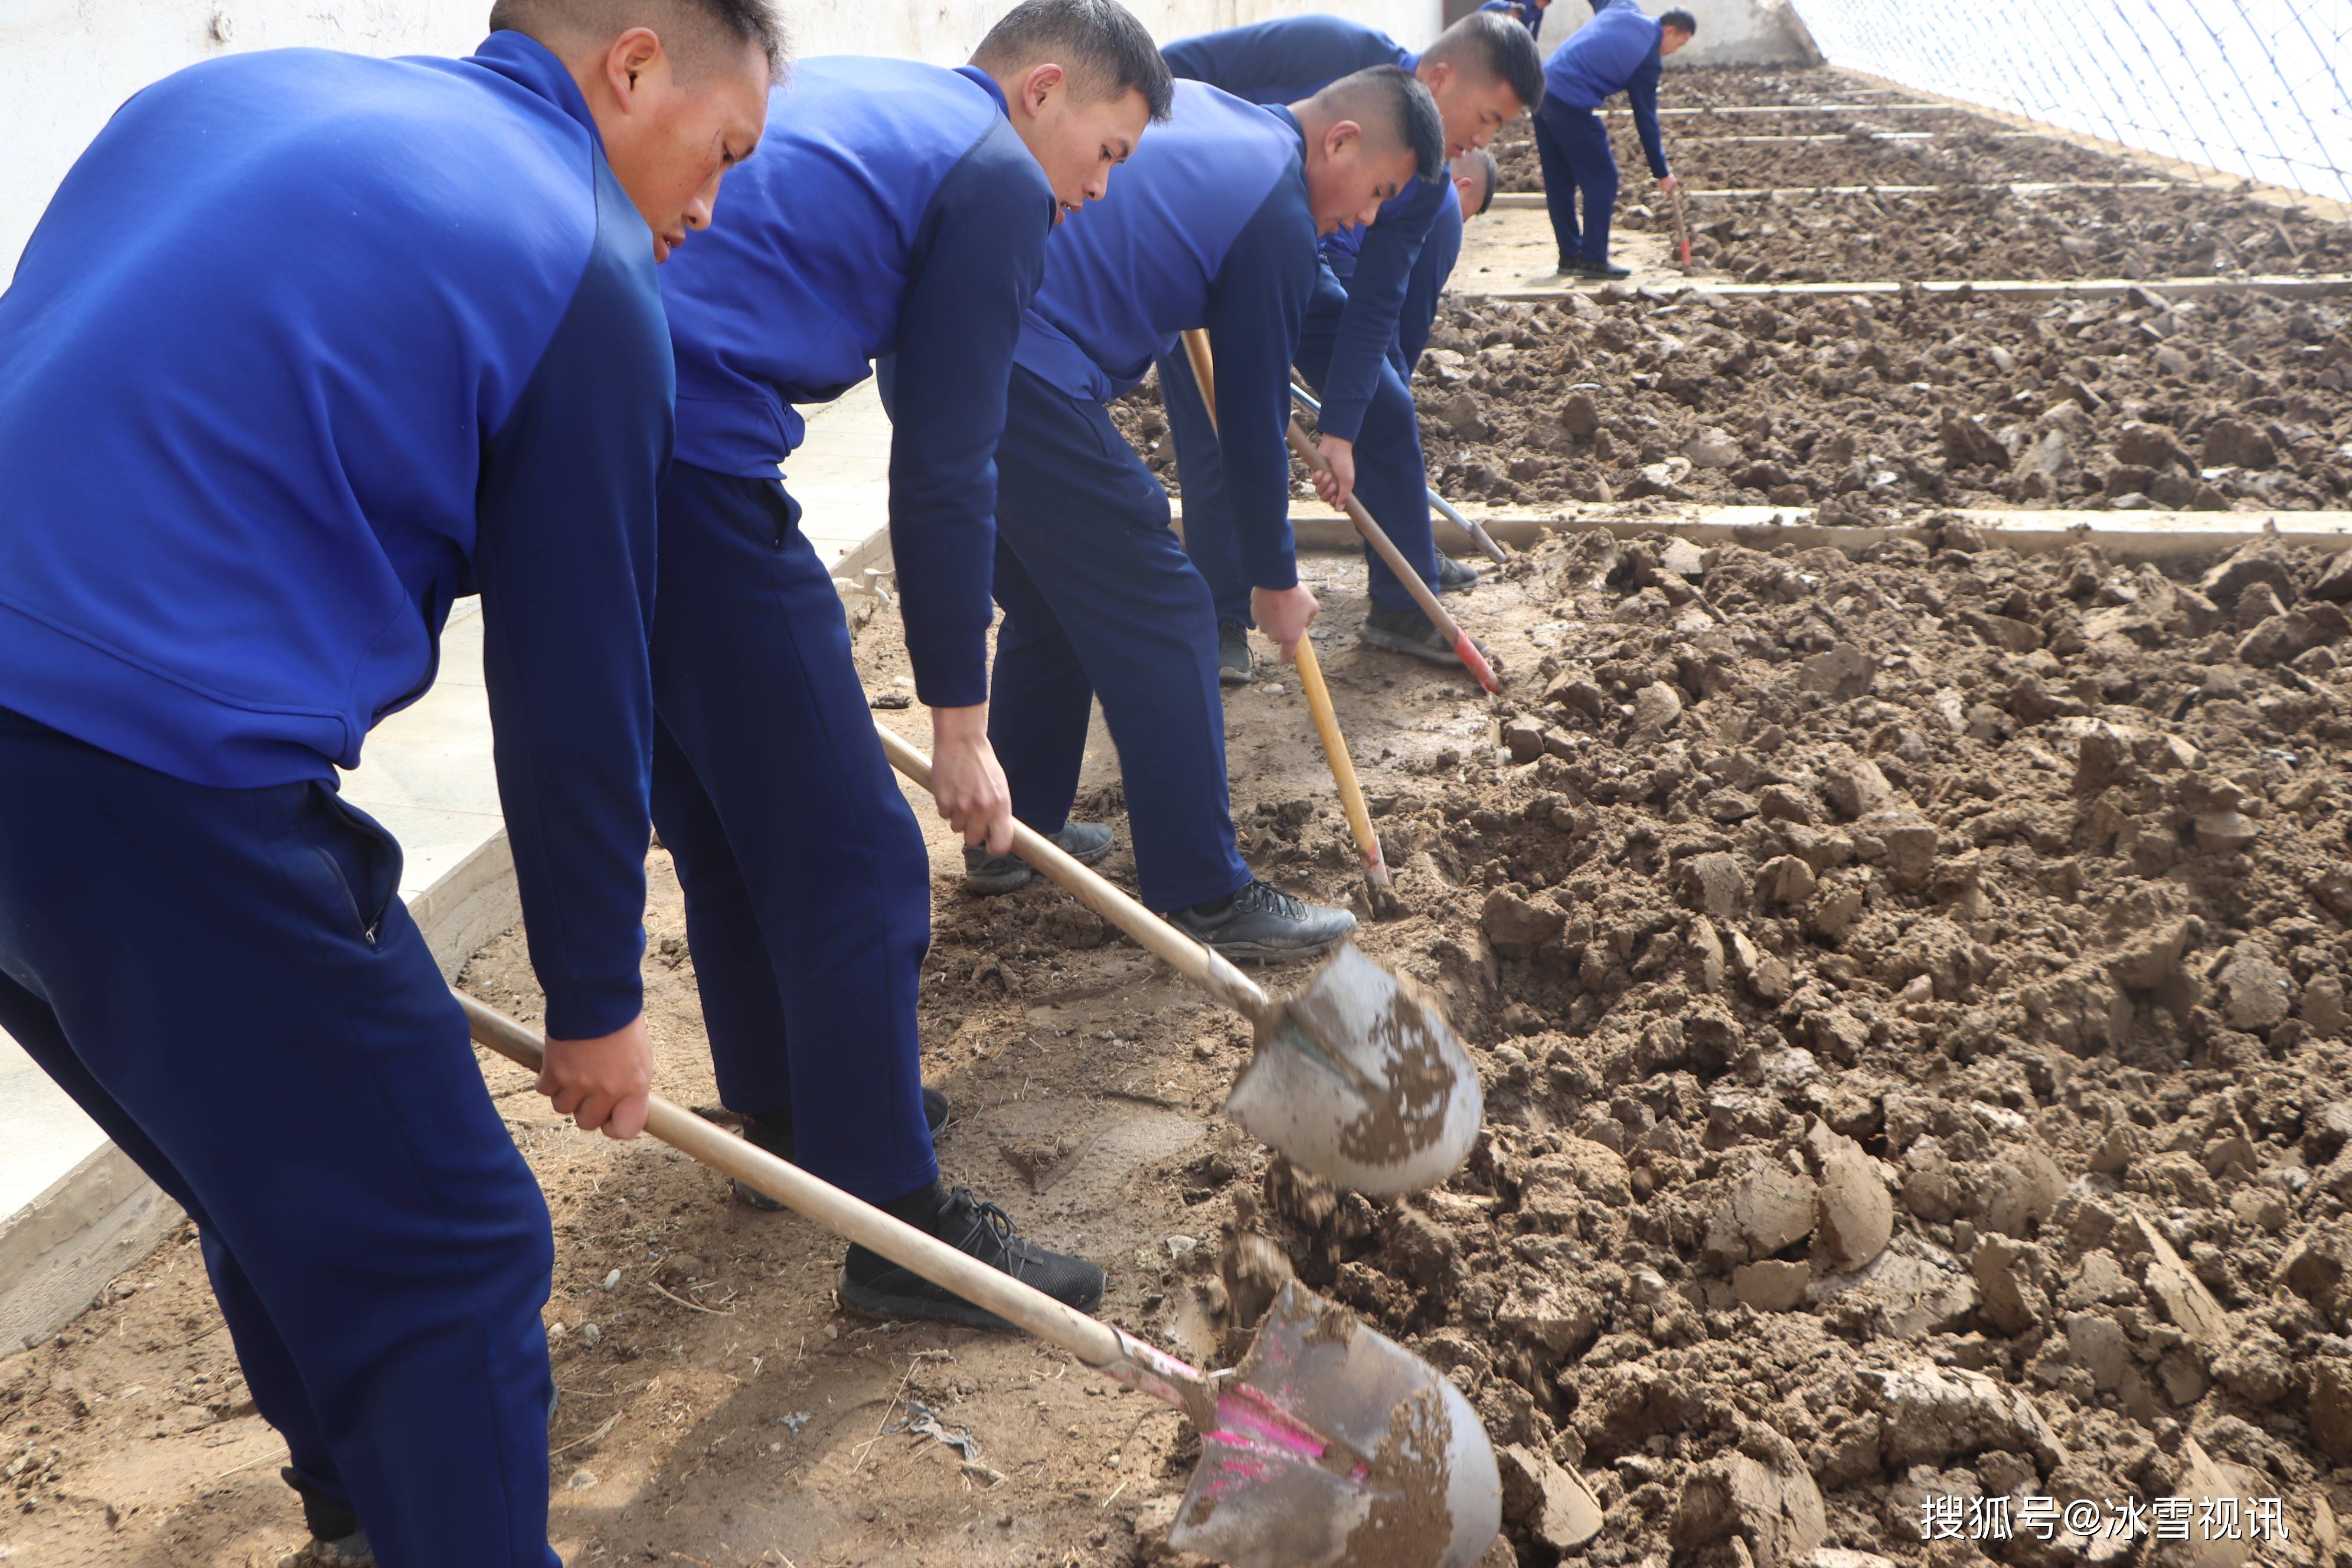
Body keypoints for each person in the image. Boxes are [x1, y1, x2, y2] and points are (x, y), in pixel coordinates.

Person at [0, 2, 779, 1564]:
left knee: (276, 1168)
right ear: (634, 68)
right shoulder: (583, 265)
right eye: (723, 153)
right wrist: (594, 999)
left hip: (50, 740)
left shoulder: (239, 93)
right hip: (142, 767)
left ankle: (370, 1520)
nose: (711, 208)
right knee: (448, 1244)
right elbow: (571, 687)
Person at [649, 0, 1169, 1328]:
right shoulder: (992, 172)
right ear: (1043, 92)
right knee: (860, 859)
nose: (1099, 194)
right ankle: (900, 1232)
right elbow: (946, 467)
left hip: (595, 450)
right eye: (1106, 155)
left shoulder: (890, 98)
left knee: (722, 810)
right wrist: (960, 716)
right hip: (693, 465)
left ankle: (790, 1114)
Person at [992, 67, 1442, 959]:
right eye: (1377, 194)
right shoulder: (1274, 214)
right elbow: (1249, 424)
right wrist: (1274, 583)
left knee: (1053, 597)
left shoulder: (1227, 116)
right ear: (1342, 141)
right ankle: (1204, 892)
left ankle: (1016, 832)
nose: (1362, 220)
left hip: (972, 341)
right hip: (1018, 359)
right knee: (1168, 605)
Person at [1159, 11, 1541, 678]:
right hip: (1197, 238)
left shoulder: (1424, 184)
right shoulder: (1332, 48)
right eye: (1486, 118)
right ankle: (1220, 614)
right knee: (1216, 422)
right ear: (1441, 76)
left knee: (1383, 405)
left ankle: (1400, 605)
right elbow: (1164, 68)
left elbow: (1373, 311)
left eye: (1497, 131)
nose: (1481, 140)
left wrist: (1340, 428)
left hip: (1294, 256)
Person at [1534, 0, 1696, 279]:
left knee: (1559, 180)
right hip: (1571, 102)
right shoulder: (1648, 58)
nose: (1673, 52)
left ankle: (1570, 256)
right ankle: (1594, 259)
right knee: (1604, 178)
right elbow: (1646, 120)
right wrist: (1661, 172)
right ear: (1669, 31)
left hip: (1541, 89)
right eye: (1679, 44)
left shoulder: (1623, 7)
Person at [1323, 146, 1500, 381]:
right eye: (1466, 216)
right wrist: (1400, 380)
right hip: (1336, 255)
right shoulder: (1446, 206)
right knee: (1383, 391)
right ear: (1463, 186)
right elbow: (1416, 312)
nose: (1461, 222)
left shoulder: (1398, 160)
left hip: (1311, 244)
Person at [1479, 0, 1553, 40]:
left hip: (1521, 29)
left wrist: (1533, 41)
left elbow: (1536, 27)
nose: (1543, 7)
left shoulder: (1540, 13)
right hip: (1508, 22)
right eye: (1544, 4)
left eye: (1545, 6)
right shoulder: (1499, 5)